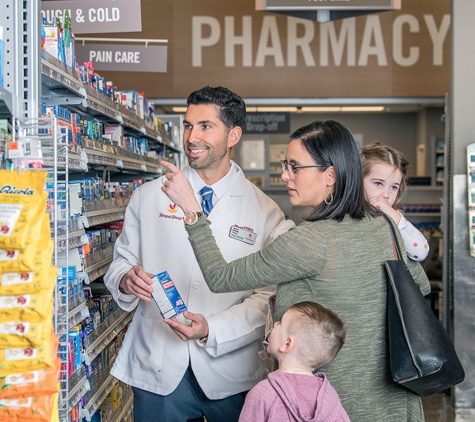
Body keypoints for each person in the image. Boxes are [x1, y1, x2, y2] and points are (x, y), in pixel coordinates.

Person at [161, 119, 431, 421]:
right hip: (395, 396)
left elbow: (220, 276)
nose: (285, 174)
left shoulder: (311, 240)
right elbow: (419, 285)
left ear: (330, 175)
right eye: (284, 164)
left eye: (295, 167)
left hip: (336, 403)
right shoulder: (383, 226)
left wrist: (191, 210)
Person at [104, 85, 285, 422]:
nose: (192, 137)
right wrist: (126, 279)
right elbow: (120, 264)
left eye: (206, 126)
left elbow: (267, 298)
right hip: (158, 365)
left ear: (233, 135)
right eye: (188, 125)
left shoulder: (264, 211)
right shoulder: (148, 197)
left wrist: (211, 330)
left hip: (231, 370)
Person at [239, 301, 350, 422]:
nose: (275, 323)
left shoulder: (262, 394)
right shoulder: (330, 398)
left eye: (280, 323)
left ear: (287, 344)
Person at [361, 142, 430, 261]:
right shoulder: (344, 215)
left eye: (394, 187)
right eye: (378, 183)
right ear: (357, 180)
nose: (386, 195)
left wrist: (393, 214)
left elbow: (420, 252)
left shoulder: (394, 217)